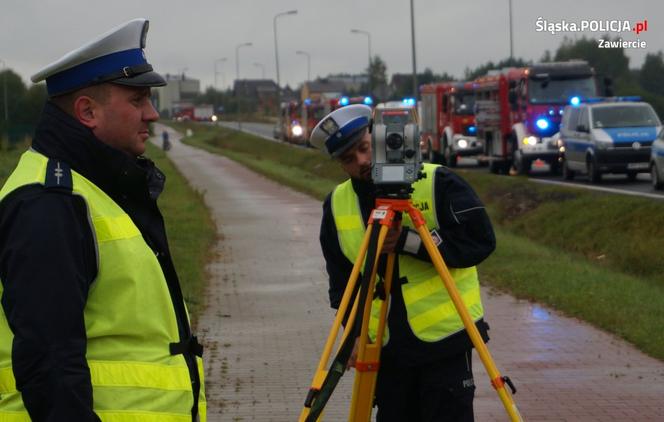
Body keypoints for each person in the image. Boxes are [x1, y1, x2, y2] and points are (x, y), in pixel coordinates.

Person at [0, 19, 206, 421]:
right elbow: (50, 365)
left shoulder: (97, 186)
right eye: (137, 101)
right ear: (87, 111)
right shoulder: (48, 204)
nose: (151, 115)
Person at [309, 104, 496, 421]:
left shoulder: (437, 181)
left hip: (444, 345)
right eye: (348, 159)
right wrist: (353, 334)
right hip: (386, 351)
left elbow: (480, 241)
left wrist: (412, 242)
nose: (362, 162)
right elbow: (343, 284)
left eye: (365, 149)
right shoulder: (338, 205)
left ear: (379, 137)